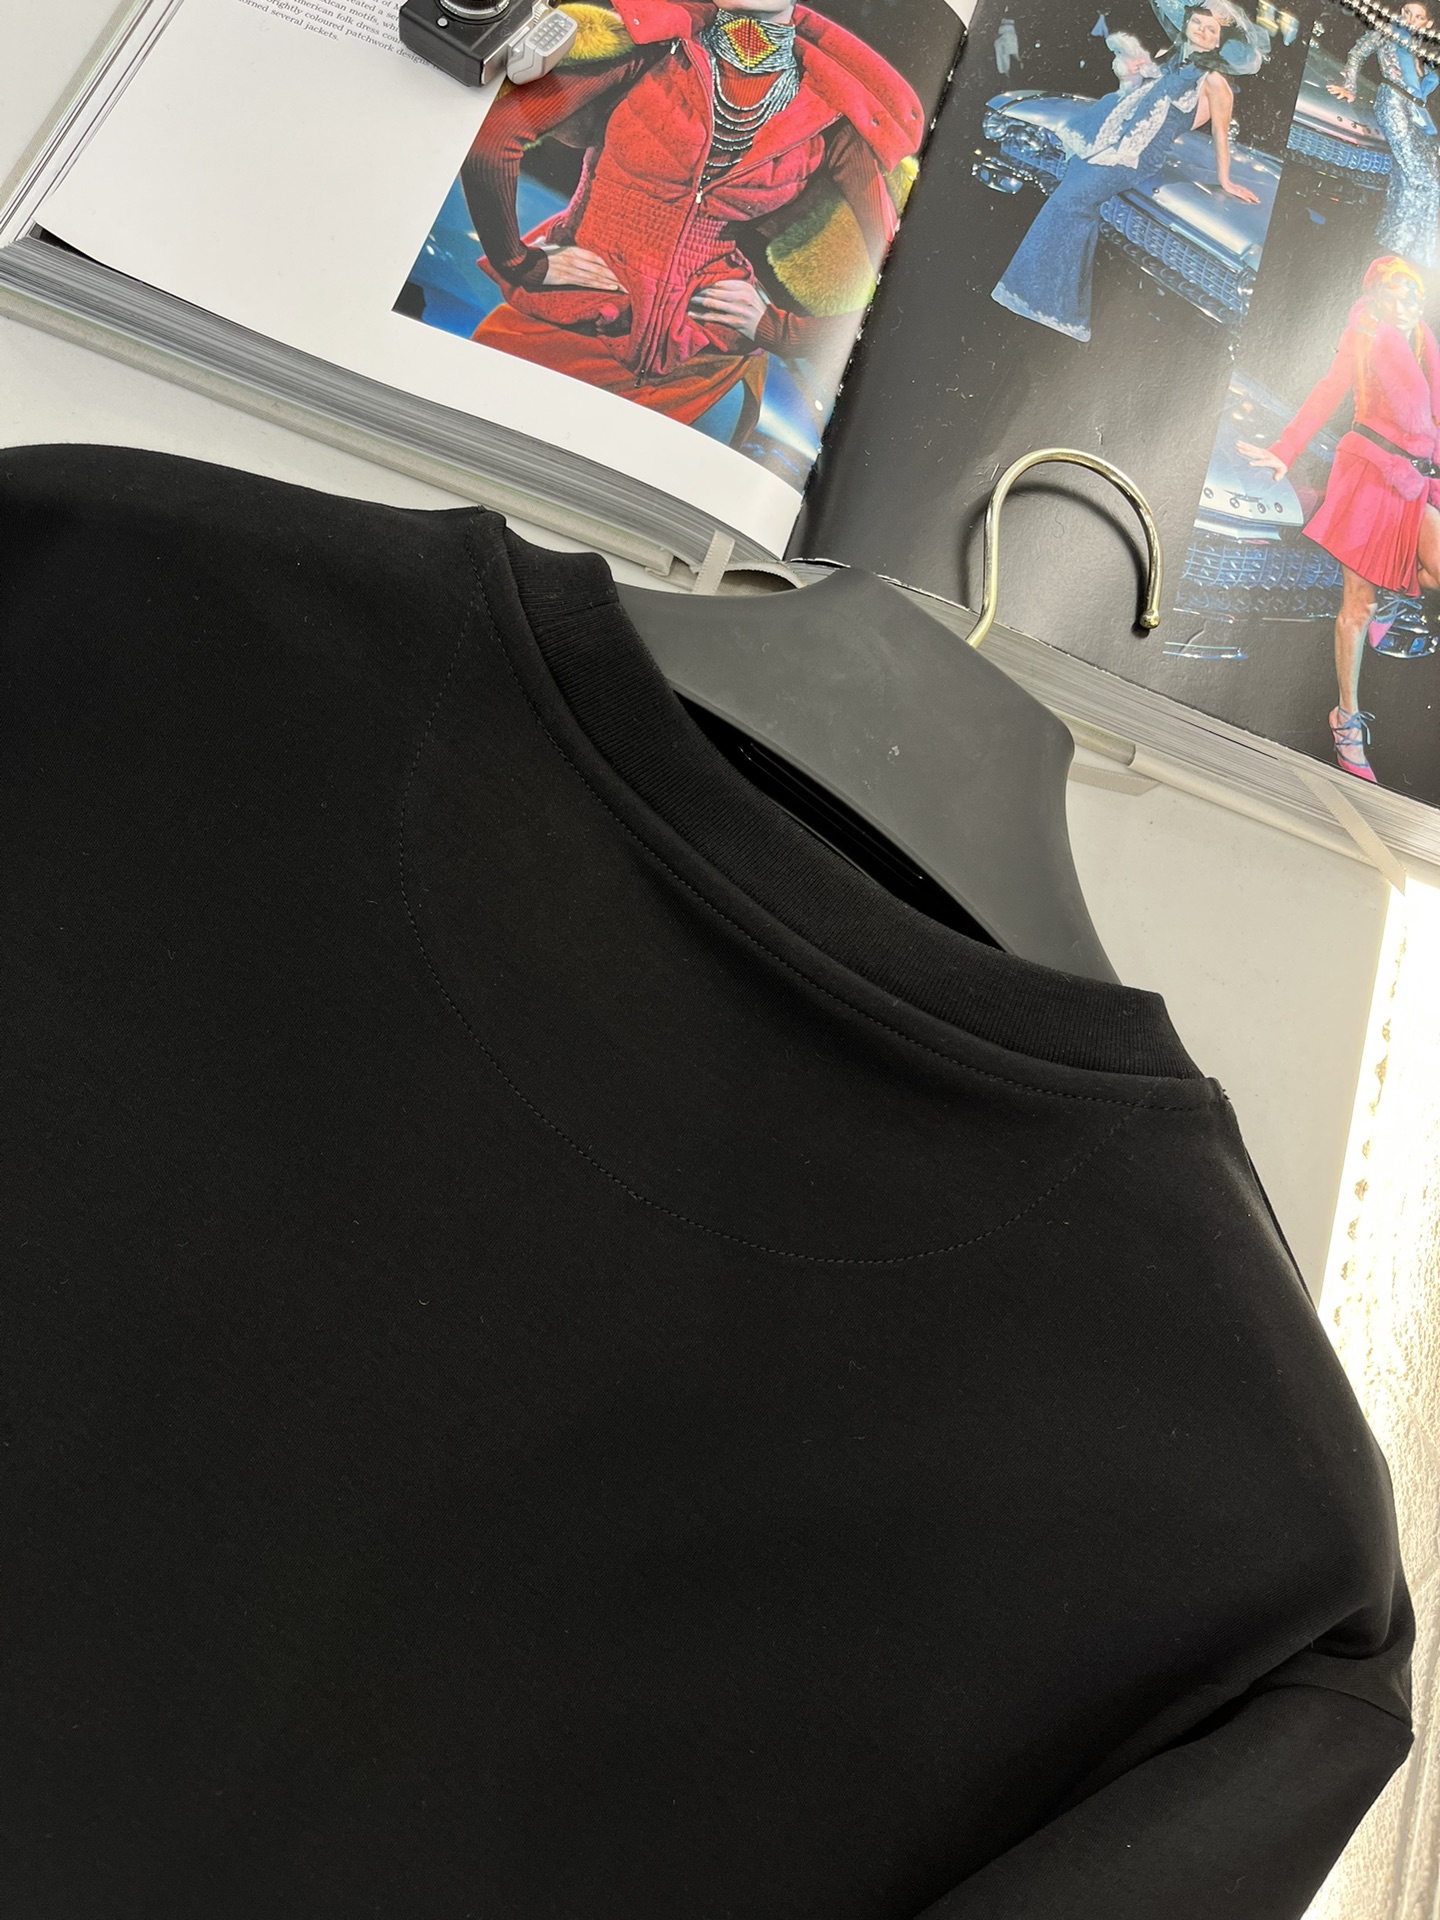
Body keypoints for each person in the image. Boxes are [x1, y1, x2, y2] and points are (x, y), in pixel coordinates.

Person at [458, 1, 924, 446]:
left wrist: (783, 332)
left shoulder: (832, 111)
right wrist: (520, 262)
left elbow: (906, 276)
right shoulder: (649, 48)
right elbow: (492, 142)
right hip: (571, 326)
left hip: (705, 371)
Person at [1238, 255, 1440, 783]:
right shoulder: (1365, 335)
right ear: (1376, 296)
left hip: (1414, 482)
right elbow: (1328, 390)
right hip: (1370, 471)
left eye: (1412, 294)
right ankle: (1345, 719)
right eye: (1393, 293)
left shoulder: (1425, 342)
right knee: (1359, 603)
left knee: (1435, 570)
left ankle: (1393, 592)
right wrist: (1286, 448)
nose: (1403, 304)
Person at [991, 2, 1268, 344]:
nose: (1202, 31)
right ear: (1186, 24)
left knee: (1071, 201)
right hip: (1113, 137)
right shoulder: (1166, 57)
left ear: (1219, 41)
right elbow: (1134, 100)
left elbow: (1219, 134)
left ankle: (1051, 305)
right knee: (1068, 196)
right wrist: (1130, 76)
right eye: (1197, 22)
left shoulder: (1215, 82)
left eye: (1211, 30)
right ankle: (1042, 295)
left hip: (1140, 155)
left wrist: (1226, 180)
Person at [1328, 3, 1440, 271]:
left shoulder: (1424, 48)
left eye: (1418, 16)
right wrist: (1349, 86)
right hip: (1392, 102)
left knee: (1407, 182)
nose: (1410, 19)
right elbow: (1358, 53)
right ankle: (1419, 254)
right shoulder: (1388, 31)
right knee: (1425, 180)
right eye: (1406, 12)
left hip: (1416, 111)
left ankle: (1394, 248)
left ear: (1427, 23)